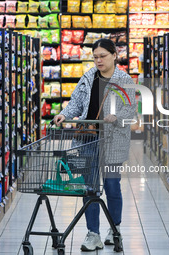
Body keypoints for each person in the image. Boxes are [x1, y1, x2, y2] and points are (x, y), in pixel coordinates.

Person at [53, 38, 136, 252]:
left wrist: (115, 116)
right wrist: (64, 114)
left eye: (103, 56)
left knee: (111, 187)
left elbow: (130, 111)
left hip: (113, 142)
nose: (98, 61)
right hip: (87, 139)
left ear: (114, 55)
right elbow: (76, 103)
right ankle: (93, 234)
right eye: (95, 57)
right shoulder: (88, 77)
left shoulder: (124, 79)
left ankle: (114, 229)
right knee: (89, 188)